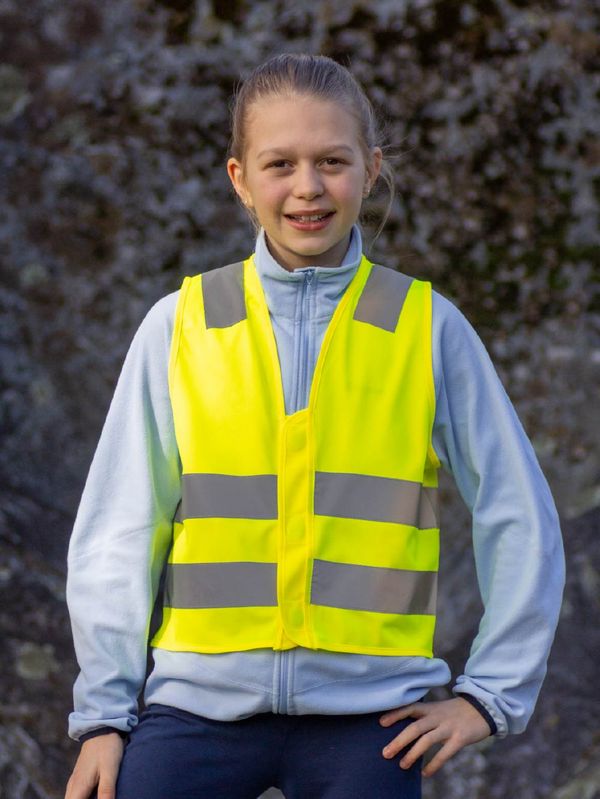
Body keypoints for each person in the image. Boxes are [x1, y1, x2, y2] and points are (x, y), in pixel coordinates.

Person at [64, 53, 565, 799]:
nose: (308, 187)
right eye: (280, 164)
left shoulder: (427, 327)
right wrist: (103, 716)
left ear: (371, 169)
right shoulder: (181, 325)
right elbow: (118, 529)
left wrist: (488, 695)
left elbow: (519, 514)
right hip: (194, 711)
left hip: (372, 722)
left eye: (333, 161)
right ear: (239, 178)